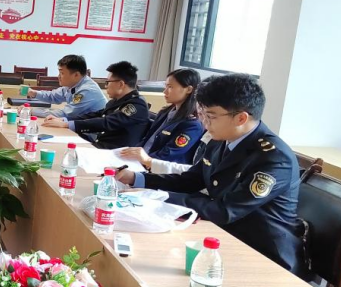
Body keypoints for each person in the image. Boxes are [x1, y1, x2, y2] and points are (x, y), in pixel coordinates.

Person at [116, 74, 306, 276]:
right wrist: (139, 179)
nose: (205, 123)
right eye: (203, 114)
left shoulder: (274, 158)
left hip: (263, 253)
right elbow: (191, 180)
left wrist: (156, 197)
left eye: (211, 116)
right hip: (221, 237)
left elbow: (225, 210)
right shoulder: (221, 139)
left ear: (241, 118)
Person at [43, 61, 150, 149]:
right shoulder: (116, 101)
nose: (106, 86)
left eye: (108, 82)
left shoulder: (136, 105)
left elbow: (106, 122)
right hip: (101, 146)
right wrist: (64, 120)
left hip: (116, 154)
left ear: (121, 84)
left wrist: (67, 124)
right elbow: (96, 115)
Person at [120, 68, 204, 168]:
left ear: (189, 89)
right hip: (141, 162)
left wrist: (144, 161)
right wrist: (131, 153)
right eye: (166, 86)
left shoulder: (192, 124)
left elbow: (167, 155)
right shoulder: (165, 112)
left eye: (170, 87)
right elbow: (147, 139)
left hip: (159, 169)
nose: (165, 91)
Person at [26, 55, 106, 119]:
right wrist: (33, 93)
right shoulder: (72, 85)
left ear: (76, 75)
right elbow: (53, 96)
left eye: (62, 73)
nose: (58, 76)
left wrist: (32, 111)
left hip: (92, 132)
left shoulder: (87, 91)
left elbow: (65, 114)